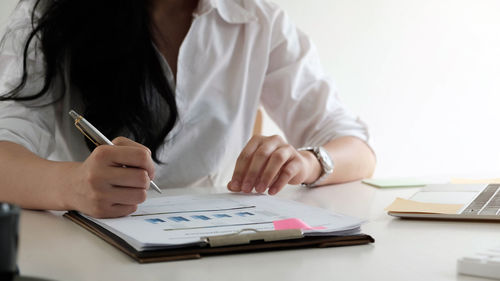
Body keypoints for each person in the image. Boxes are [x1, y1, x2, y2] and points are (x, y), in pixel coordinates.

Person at [0, 0, 376, 218]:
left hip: (210, 239)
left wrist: (307, 162)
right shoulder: (51, 14)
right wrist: (75, 185)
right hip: (86, 240)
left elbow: (356, 148)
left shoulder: (256, 17)